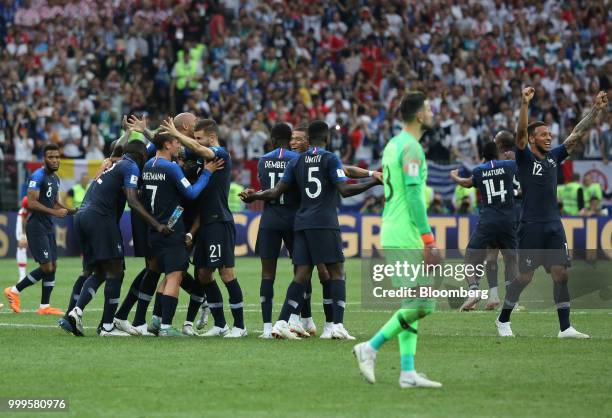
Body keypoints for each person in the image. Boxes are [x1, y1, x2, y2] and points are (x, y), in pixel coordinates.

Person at [241, 120, 381, 340]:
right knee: (335, 272)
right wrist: (374, 181)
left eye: (299, 139)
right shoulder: (327, 158)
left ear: (308, 140)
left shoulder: (296, 161)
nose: (295, 142)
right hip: (323, 221)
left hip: (301, 222)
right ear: (327, 138)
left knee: (301, 274)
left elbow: (275, 191)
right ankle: (335, 326)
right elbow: (344, 188)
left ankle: (281, 323)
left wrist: (254, 195)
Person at [496, 87, 607, 339]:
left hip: (553, 225)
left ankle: (565, 328)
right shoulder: (524, 157)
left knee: (561, 274)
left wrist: (595, 110)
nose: (549, 137)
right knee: (524, 277)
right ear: (533, 139)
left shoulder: (554, 157)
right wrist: (524, 104)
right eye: (543, 135)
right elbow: (521, 132)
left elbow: (577, 134)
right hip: (531, 226)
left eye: (550, 134)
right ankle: (503, 319)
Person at [353, 91, 443, 389]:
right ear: (419, 115)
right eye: (428, 108)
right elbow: (415, 195)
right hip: (407, 232)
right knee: (425, 303)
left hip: (392, 225)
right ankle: (370, 347)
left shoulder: (393, 145)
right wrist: (429, 240)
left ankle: (407, 372)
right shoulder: (412, 148)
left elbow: (400, 188)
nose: (431, 112)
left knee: (412, 301)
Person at [66, 141, 171, 336]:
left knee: (99, 270)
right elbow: (131, 200)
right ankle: (107, 327)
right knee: (116, 271)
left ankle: (76, 312)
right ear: (140, 157)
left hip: (82, 217)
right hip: (99, 218)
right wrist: (156, 224)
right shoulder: (130, 166)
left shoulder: (114, 165)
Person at [159, 117, 247, 338]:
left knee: (226, 274)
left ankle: (240, 327)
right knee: (203, 274)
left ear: (211, 136)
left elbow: (200, 149)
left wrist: (178, 134)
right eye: (194, 138)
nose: (195, 142)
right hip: (204, 223)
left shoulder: (221, 153)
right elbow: (170, 147)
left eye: (199, 138)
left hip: (219, 221)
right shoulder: (197, 153)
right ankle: (220, 324)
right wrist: (149, 133)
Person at [140, 131, 221, 336]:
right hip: (171, 229)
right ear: (167, 145)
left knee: (166, 277)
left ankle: (157, 321)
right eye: (177, 143)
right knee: (175, 277)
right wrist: (207, 173)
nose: (180, 147)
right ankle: (167, 327)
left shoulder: (148, 166)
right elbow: (192, 193)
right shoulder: (172, 168)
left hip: (155, 229)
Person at [4, 144, 74, 315]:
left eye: (57, 157)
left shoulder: (55, 178)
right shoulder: (37, 176)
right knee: (46, 267)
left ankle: (44, 307)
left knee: (53, 266)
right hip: (36, 226)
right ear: (44, 159)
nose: (55, 160)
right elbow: (32, 202)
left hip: (48, 225)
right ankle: (14, 291)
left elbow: (53, 202)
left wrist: (68, 209)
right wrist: (55, 212)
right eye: (51, 157)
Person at [450, 139, 518, 312]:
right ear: (499, 153)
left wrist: (454, 176)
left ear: (481, 155)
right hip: (508, 220)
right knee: (509, 258)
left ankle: (474, 291)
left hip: (488, 220)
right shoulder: (510, 165)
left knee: (469, 259)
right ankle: (510, 300)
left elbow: (466, 183)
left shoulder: (479, 170)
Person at [254, 122, 299, 338]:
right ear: (290, 140)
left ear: (272, 139)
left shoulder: (263, 160)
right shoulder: (296, 159)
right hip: (292, 218)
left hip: (269, 219)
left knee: (267, 274)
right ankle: (294, 320)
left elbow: (264, 189)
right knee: (300, 270)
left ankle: (265, 327)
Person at [15, 196, 29, 282]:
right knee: (22, 246)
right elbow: (24, 214)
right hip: (24, 222)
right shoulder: (26, 200)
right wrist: (23, 235)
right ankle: (22, 275)